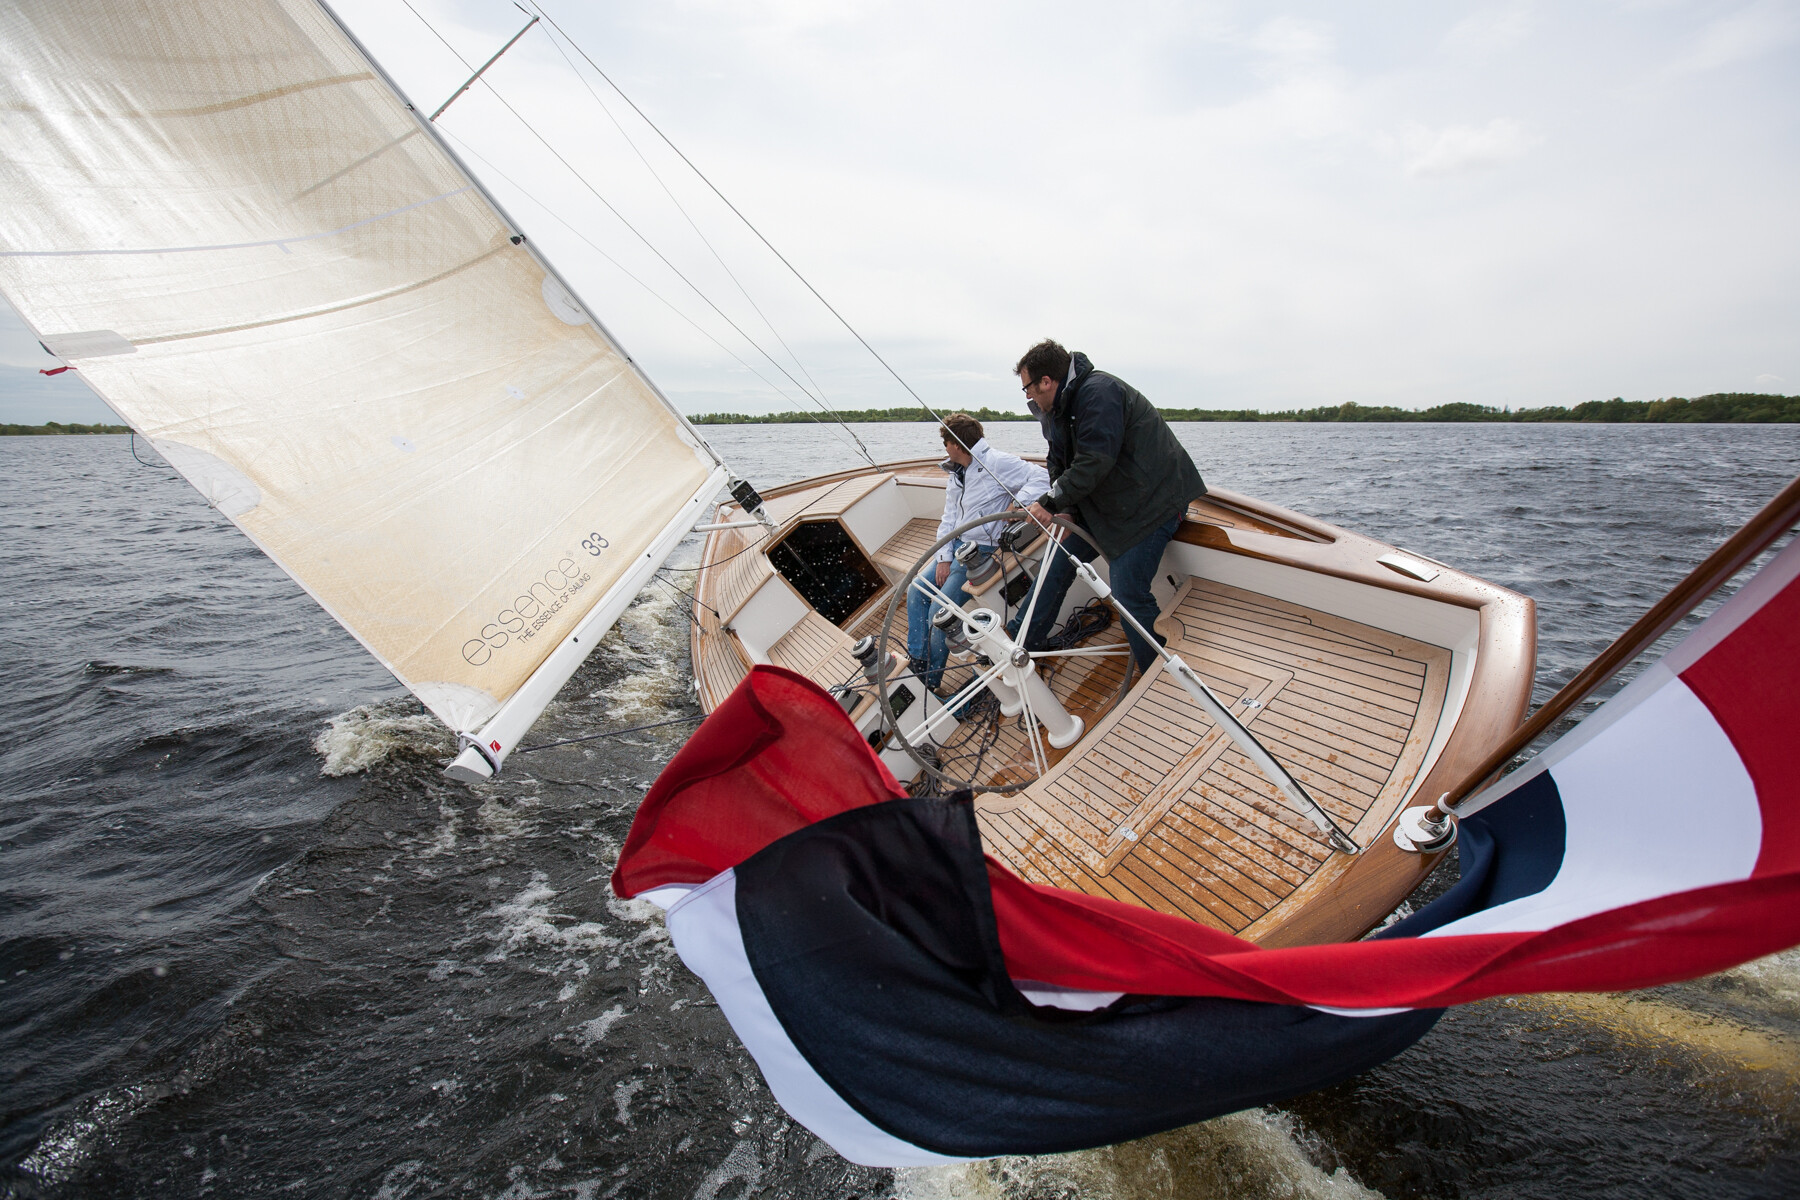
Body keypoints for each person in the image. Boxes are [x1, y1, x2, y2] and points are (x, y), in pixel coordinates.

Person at [1009, 339, 1206, 672]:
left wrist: (1051, 501)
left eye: (1027, 388)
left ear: (1047, 381)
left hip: (1150, 504)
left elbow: (1094, 461)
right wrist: (1066, 508)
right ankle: (1020, 649)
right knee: (1054, 567)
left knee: (1127, 595)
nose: (1028, 396)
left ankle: (1157, 676)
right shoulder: (1055, 409)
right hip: (1106, 505)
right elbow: (1058, 461)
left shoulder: (1099, 393)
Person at [907, 413, 1049, 690]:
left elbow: (1042, 476)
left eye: (946, 442)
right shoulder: (956, 473)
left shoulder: (996, 462)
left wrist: (1017, 504)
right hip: (955, 546)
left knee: (940, 612)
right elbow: (949, 518)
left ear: (957, 445)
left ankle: (930, 680)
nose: (944, 448)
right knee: (916, 590)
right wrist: (944, 557)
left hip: (981, 549)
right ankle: (918, 660)